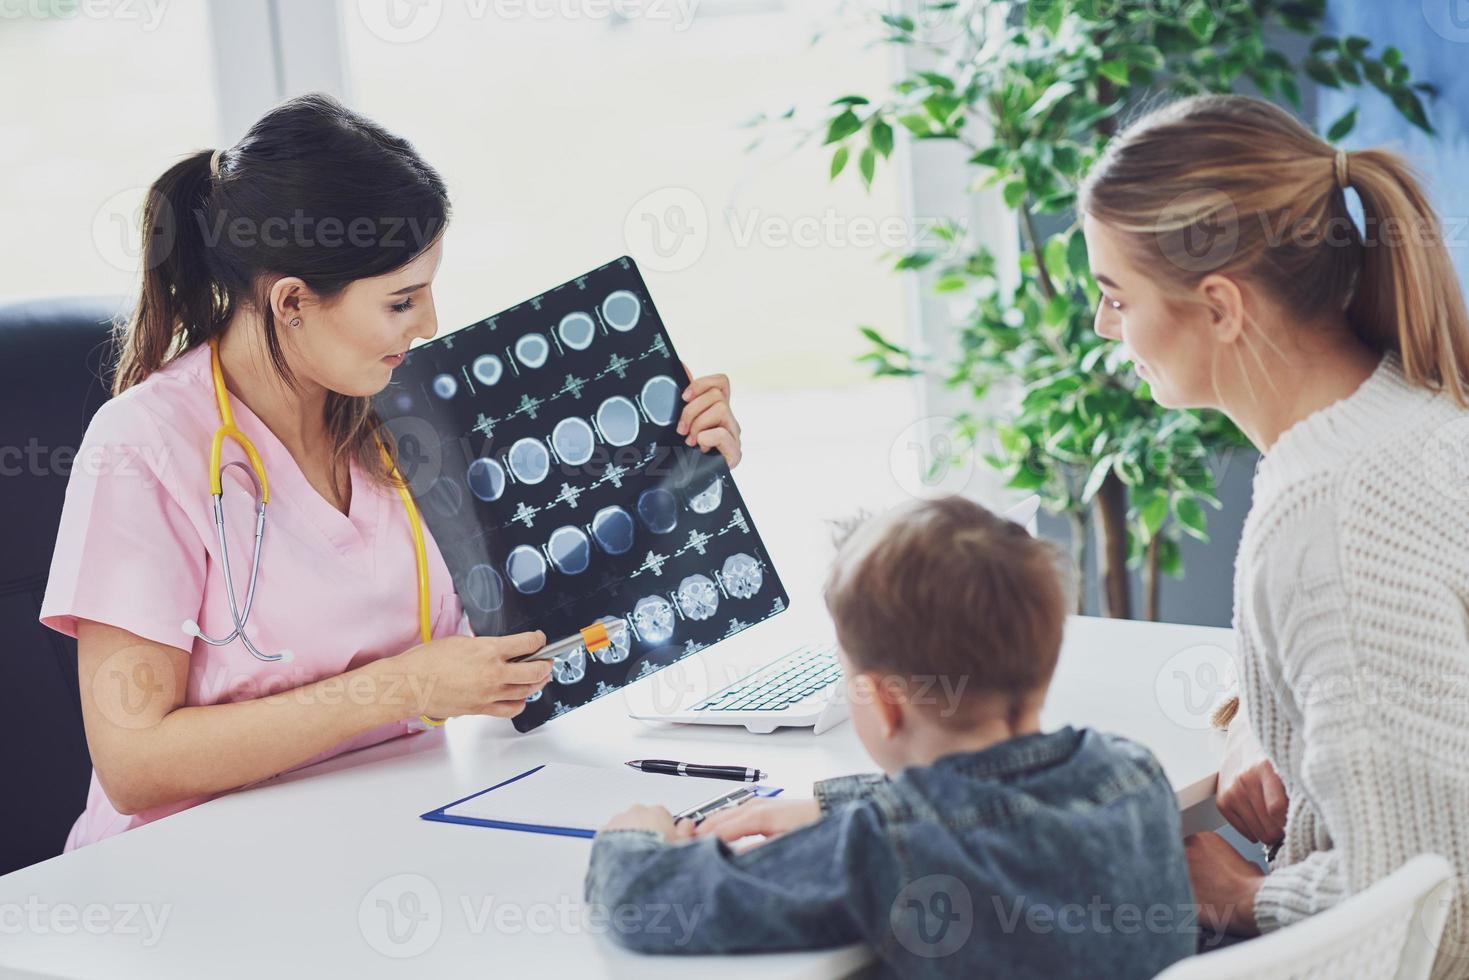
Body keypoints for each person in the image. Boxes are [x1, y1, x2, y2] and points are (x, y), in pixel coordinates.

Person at [38, 93, 742, 849]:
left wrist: (674, 480)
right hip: (185, 863)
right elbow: (134, 762)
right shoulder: (145, 444)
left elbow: (524, 637)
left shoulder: (395, 413)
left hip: (387, 830)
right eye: (401, 300)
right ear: (293, 302)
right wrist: (400, 687)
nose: (429, 324)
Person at [1078, 93, 1469, 974]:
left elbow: (1439, 906)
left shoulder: (1326, 520)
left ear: (1219, 306)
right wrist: (1252, 715)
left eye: (1114, 295)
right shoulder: (1411, 413)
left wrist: (1245, 898)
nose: (1104, 326)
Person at [583, 496, 1197, 978]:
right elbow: (996, 798)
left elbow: (651, 902)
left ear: (881, 702)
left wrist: (635, 836)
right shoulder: (1132, 772)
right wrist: (833, 802)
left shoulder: (888, 849)